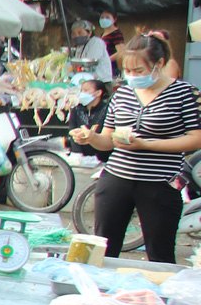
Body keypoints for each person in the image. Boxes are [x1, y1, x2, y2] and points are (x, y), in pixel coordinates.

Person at [72, 31, 201, 263]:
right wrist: (90, 138)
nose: (131, 76)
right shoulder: (123, 93)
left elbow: (196, 138)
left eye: (138, 71)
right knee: (102, 250)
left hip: (160, 183)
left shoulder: (184, 93)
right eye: (127, 71)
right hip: (116, 177)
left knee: (159, 254)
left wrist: (146, 144)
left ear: (159, 64)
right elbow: (108, 138)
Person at [70, 77, 114, 161]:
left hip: (103, 157)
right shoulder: (76, 109)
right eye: (82, 91)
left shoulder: (107, 109)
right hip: (81, 157)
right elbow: (72, 130)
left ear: (98, 93)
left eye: (86, 90)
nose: (82, 93)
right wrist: (77, 153)